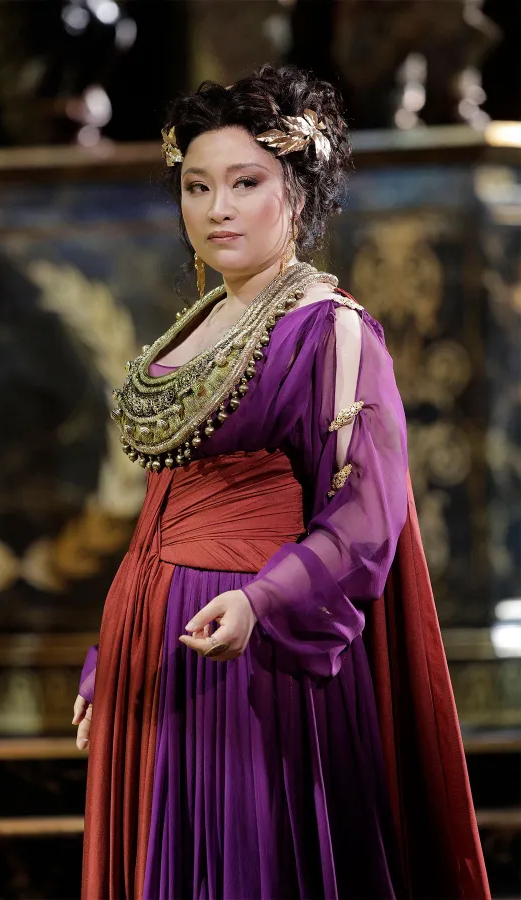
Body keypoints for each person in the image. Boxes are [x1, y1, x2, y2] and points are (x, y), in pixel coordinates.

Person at [73, 64, 490, 900]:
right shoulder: (195, 331)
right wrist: (107, 653)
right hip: (154, 646)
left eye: (245, 183)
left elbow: (365, 517)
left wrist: (262, 602)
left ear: (299, 191)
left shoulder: (331, 330)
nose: (216, 208)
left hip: (253, 651)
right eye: (196, 186)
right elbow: (160, 513)